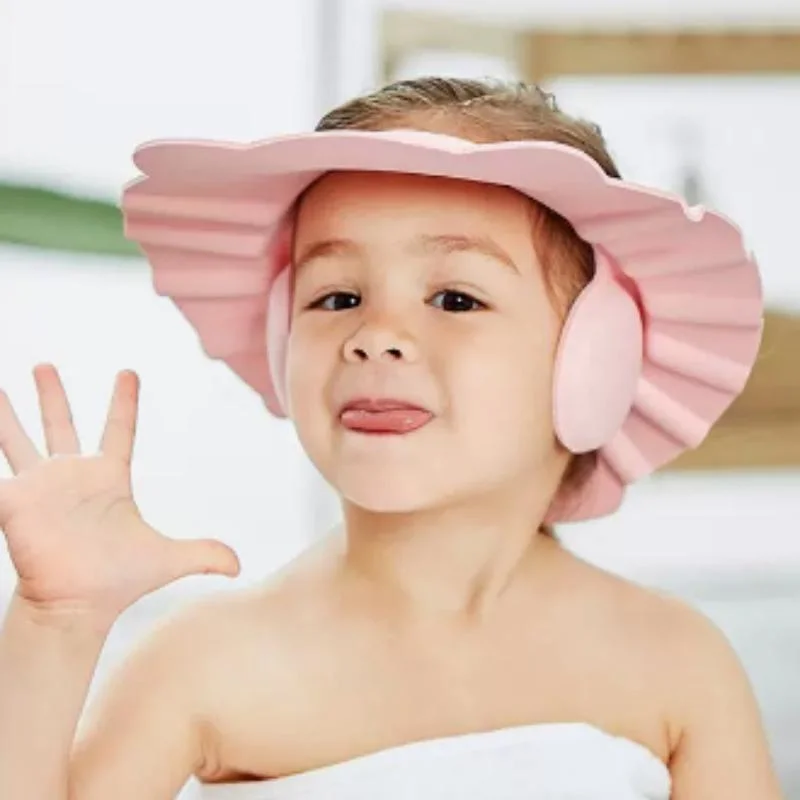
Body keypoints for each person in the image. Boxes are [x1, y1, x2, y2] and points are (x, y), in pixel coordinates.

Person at [0, 77, 784, 800]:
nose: (376, 336)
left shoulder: (678, 666)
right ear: (280, 337)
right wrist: (55, 623)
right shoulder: (200, 663)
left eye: (453, 297)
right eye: (337, 295)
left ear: (596, 356)